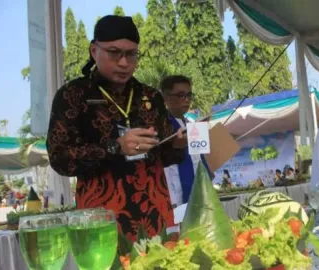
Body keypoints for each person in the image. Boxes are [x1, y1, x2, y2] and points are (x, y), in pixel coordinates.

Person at [46, 15, 186, 241]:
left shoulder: (150, 96)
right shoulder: (74, 95)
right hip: (101, 220)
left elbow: (163, 156)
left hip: (155, 216)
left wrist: (178, 144)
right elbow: (60, 158)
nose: (124, 63)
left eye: (131, 54)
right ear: (94, 51)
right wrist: (115, 147)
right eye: (114, 53)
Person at [161, 75, 211, 207]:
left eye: (189, 95)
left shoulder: (192, 124)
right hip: (174, 195)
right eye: (181, 95)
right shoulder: (161, 126)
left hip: (198, 191)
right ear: (166, 97)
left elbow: (199, 157)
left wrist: (207, 171)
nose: (186, 100)